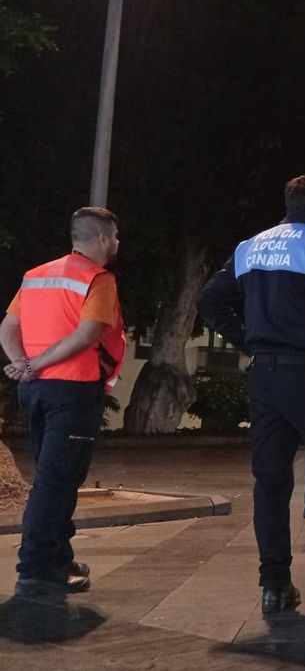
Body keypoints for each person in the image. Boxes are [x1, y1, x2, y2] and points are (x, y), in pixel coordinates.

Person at [197, 175, 305, 617]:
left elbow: (210, 300)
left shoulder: (249, 247)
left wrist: (250, 340)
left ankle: (275, 586)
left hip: (265, 377)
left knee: (271, 481)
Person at [1, 207, 125, 604]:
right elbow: (87, 334)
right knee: (55, 483)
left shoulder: (36, 275)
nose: (117, 243)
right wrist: (34, 363)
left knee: (55, 477)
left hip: (35, 392)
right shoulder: (98, 279)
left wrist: (22, 364)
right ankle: (35, 572)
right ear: (102, 238)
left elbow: (8, 327)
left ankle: (59, 560)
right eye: (115, 237)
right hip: (72, 391)